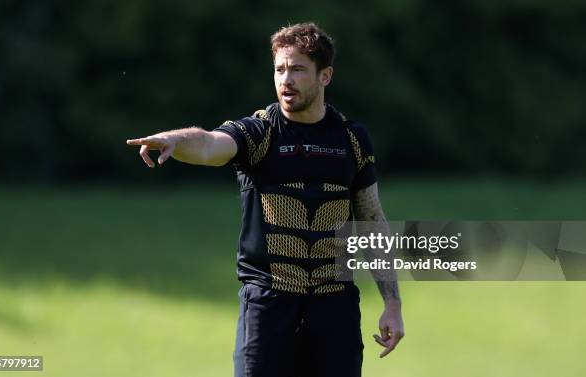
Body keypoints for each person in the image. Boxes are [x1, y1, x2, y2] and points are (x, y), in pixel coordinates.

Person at [126, 22, 404, 377]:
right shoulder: (259, 133)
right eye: (279, 69)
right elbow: (211, 144)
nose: (286, 79)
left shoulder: (352, 140)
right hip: (269, 307)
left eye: (298, 69)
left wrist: (392, 304)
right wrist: (175, 140)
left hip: (335, 307)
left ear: (325, 76)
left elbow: (371, 219)